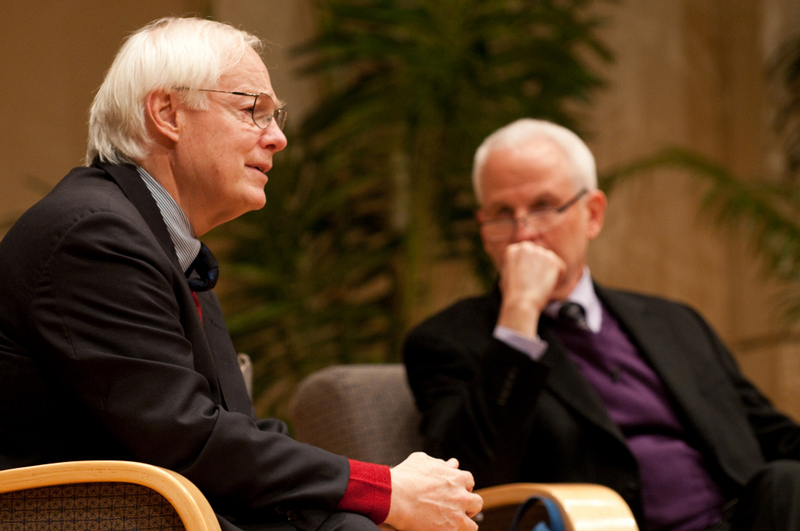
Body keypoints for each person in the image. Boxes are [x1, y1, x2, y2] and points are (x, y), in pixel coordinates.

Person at [0, 17, 482, 531]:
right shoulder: (94, 236)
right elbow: (188, 439)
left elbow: (233, 430)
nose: (277, 139)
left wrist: (377, 495)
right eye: (253, 110)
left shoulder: (158, 238)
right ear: (167, 113)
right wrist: (379, 489)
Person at [403, 118, 800, 531]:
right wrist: (519, 316)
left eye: (543, 207)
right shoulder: (446, 341)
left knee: (789, 481)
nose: (523, 234)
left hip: (751, 518)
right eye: (503, 213)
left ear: (592, 214)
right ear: (484, 229)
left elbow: (776, 437)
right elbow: (467, 484)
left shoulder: (674, 322)